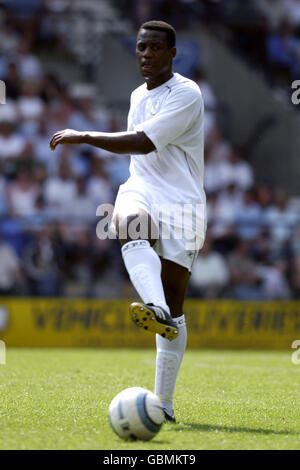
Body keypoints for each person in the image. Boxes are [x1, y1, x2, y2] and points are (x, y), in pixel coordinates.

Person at [49, 20, 206, 423]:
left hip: (183, 204)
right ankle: (152, 307)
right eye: (141, 48)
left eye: (155, 48)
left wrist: (84, 136)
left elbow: (143, 141)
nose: (146, 55)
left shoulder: (187, 93)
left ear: (173, 53)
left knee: (175, 304)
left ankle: (164, 405)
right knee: (128, 221)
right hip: (142, 187)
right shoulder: (139, 94)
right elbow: (140, 154)